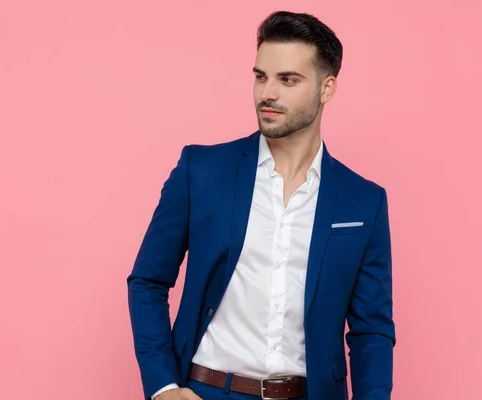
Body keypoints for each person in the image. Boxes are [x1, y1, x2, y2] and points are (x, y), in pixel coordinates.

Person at [128, 10, 396, 400]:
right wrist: (164, 387)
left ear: (327, 88)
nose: (267, 92)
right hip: (208, 389)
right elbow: (147, 281)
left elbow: (371, 329)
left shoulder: (364, 201)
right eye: (260, 76)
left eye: (288, 80)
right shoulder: (201, 172)